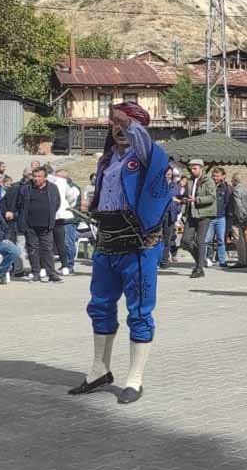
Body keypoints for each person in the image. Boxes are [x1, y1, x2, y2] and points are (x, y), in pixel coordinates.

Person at [68, 102, 172, 404]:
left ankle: (135, 379)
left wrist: (130, 124)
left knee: (139, 311)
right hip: (108, 241)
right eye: (115, 123)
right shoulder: (107, 159)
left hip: (138, 245)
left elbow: (145, 146)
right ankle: (99, 369)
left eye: (127, 124)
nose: (120, 128)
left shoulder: (148, 156)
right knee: (99, 305)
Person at [13, 166, 62, 283]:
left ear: (45, 177)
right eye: (34, 176)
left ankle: (51, 274)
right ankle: (35, 272)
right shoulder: (25, 188)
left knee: (47, 250)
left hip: (46, 225)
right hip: (30, 225)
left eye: (39, 176)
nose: (36, 179)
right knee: (32, 249)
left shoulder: (52, 188)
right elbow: (20, 204)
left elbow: (57, 203)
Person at [179, 159, 216, 279]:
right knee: (185, 241)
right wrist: (184, 199)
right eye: (191, 168)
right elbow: (186, 195)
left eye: (194, 168)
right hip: (191, 213)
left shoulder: (208, 181)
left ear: (201, 168)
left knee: (200, 241)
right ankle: (201, 260)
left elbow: (211, 197)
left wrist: (196, 200)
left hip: (204, 214)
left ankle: (199, 268)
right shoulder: (190, 181)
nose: (192, 170)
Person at [51, 169, 81, 275]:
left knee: (68, 242)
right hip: (59, 218)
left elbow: (72, 203)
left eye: (57, 177)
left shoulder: (73, 188)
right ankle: (64, 264)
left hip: (69, 218)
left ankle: (69, 265)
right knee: (61, 242)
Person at [207, 167, 231, 268]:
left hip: (221, 218)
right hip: (209, 217)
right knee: (207, 240)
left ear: (222, 176)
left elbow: (227, 202)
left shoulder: (225, 188)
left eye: (217, 176)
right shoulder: (209, 186)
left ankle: (222, 261)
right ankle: (207, 259)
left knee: (221, 240)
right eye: (213, 175)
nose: (215, 177)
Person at [226, 173, 247, 269]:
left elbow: (238, 206)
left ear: (235, 180)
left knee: (239, 240)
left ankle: (242, 260)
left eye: (232, 180)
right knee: (245, 240)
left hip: (238, 218)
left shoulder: (236, 191)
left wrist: (241, 218)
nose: (231, 182)